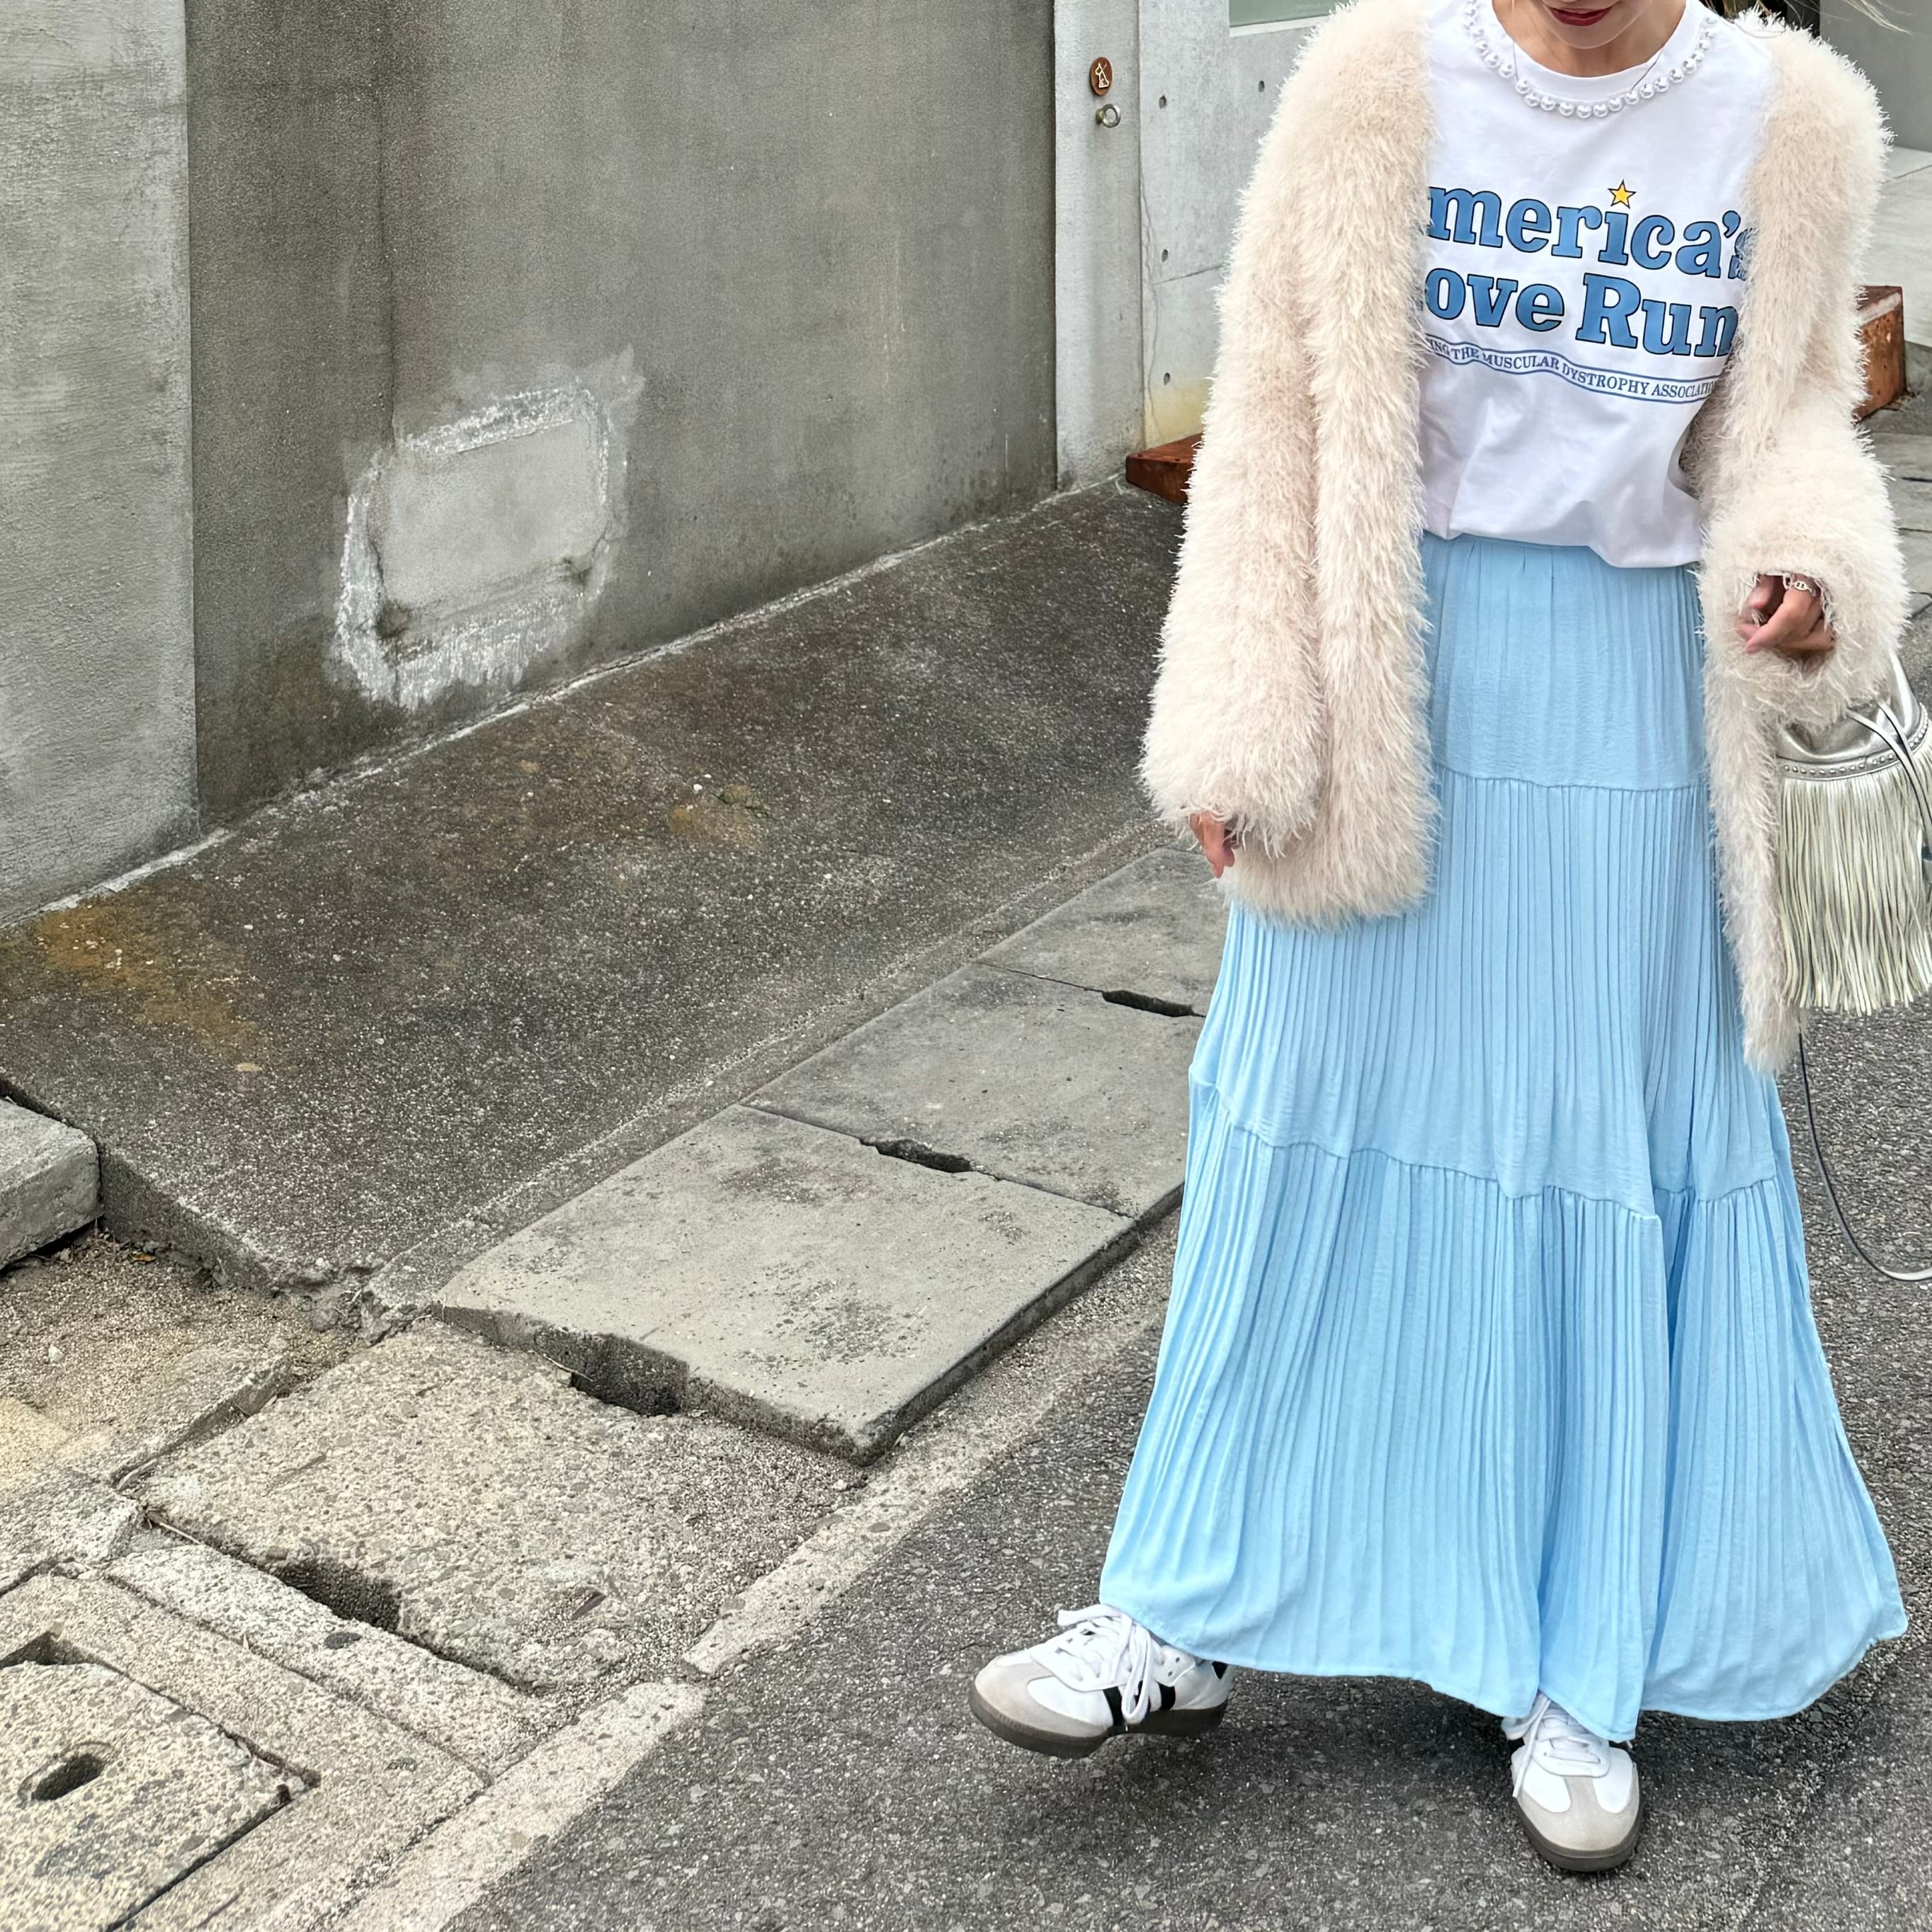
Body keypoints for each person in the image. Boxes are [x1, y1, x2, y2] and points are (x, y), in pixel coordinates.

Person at [970, 0, 1910, 1875]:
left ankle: (1579, 1662)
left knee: (1593, 1160)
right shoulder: (1375, 82)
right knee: (1291, 1128)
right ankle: (1185, 1603)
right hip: (1391, 678)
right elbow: (1273, 415)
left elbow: (1793, 415)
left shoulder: (1790, 119)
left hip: (1639, 705)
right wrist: (1239, 717)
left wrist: (1817, 575)